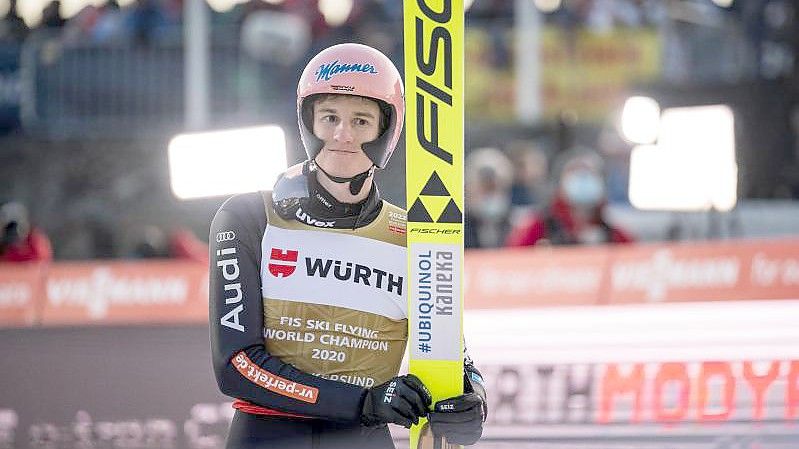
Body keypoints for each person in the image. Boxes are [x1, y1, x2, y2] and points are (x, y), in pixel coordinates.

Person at [209, 43, 487, 449]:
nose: (342, 135)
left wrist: (472, 400)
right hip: (268, 434)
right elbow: (237, 365)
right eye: (329, 118)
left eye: (360, 121)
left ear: (385, 132)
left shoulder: (414, 236)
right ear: (309, 124)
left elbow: (452, 354)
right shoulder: (249, 217)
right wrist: (363, 402)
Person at [506, 146, 634, 247]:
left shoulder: (615, 236)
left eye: (589, 173)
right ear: (560, 183)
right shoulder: (537, 229)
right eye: (574, 172)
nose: (582, 178)